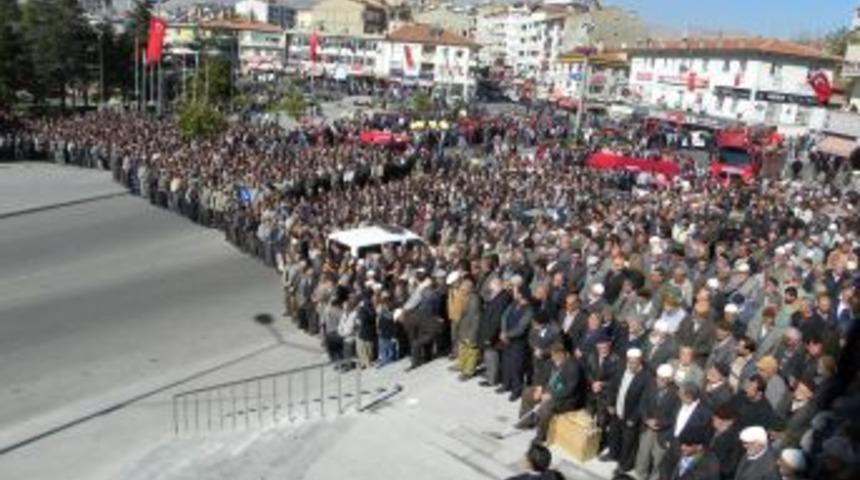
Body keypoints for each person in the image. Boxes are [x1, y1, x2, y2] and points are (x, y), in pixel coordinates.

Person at [516, 342, 584, 443]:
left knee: (546, 407)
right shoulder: (553, 362)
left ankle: (541, 435)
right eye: (552, 355)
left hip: (565, 399)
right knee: (528, 393)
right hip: (550, 390)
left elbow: (569, 389)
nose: (552, 358)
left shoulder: (573, 366)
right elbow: (544, 377)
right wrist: (540, 388)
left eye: (555, 355)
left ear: (562, 353)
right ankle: (527, 421)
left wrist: (551, 395)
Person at [604, 348, 649, 475]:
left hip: (630, 417)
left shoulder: (646, 377)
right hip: (617, 411)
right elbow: (613, 387)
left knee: (628, 443)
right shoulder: (621, 369)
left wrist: (634, 418)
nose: (631, 365)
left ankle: (624, 465)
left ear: (640, 361)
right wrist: (610, 404)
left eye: (634, 363)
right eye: (629, 362)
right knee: (614, 435)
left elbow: (643, 401)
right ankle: (613, 454)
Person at [634, 363, 681, 480]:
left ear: (670, 379)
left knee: (658, 459)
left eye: (664, 380)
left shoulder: (677, 393)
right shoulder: (651, 385)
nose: (660, 382)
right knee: (643, 454)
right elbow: (642, 404)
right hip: (647, 428)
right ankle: (640, 475)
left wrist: (659, 423)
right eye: (659, 378)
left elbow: (675, 416)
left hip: (663, 432)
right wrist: (647, 420)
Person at [498, 285, 535, 401]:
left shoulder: (529, 310)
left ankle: (516, 390)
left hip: (518, 342)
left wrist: (507, 335)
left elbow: (521, 328)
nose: (515, 294)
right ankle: (506, 384)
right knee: (506, 363)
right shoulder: (513, 304)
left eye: (517, 293)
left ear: (522, 295)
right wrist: (503, 331)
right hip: (506, 339)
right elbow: (504, 316)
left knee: (516, 366)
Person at [479, 277, 512, 387]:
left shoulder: (502, 298)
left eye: (492, 286)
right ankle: (490, 375)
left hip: (493, 334)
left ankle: (491, 379)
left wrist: (490, 336)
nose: (490, 289)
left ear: (498, 285)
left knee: (491, 356)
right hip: (490, 332)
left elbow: (496, 320)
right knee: (489, 356)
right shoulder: (499, 296)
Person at [454, 278, 483, 380]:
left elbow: (475, 319)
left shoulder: (474, 300)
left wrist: (472, 334)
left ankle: (468, 372)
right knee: (463, 348)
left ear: (469, 288)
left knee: (471, 351)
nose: (461, 291)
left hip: (470, 330)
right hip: (464, 328)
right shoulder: (467, 297)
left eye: (463, 289)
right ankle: (462, 365)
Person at [709, 405, 744, 480]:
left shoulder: (735, 441)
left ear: (729, 422)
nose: (713, 419)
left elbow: (728, 468)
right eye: (714, 417)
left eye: (717, 419)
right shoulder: (712, 430)